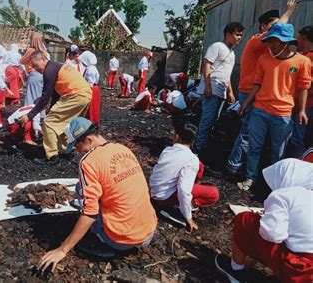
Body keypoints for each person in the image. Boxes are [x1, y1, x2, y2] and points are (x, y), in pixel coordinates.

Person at [37, 118, 157, 272]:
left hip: (121, 239)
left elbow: (90, 212)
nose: (78, 152)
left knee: (81, 189)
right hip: (148, 232)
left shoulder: (88, 161)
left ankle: (101, 238)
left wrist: (63, 249)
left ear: (89, 139)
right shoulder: (123, 148)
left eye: (78, 146)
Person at [238, 24, 311, 191]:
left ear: (285, 42)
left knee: (278, 151)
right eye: (269, 41)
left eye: (274, 41)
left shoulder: (302, 61)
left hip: (284, 113)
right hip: (260, 110)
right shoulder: (264, 60)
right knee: (254, 146)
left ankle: (274, 183)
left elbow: (303, 87)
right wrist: (246, 102)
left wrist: (301, 110)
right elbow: (257, 83)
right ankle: (250, 178)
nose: (270, 44)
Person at [215, 158, 313, 282]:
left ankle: (236, 271)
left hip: (301, 269)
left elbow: (272, 234)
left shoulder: (285, 195)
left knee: (244, 220)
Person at [227, 0, 297, 174]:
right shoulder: (256, 41)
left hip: (258, 93)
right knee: (247, 133)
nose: (277, 31)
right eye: (272, 25)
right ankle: (234, 165)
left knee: (252, 135)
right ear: (263, 27)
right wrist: (289, 11)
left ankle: (240, 166)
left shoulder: (271, 47)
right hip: (250, 92)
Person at [17, 52, 92, 165]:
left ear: (43, 59)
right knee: (64, 124)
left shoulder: (49, 70)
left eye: (36, 65)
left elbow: (45, 97)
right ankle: (68, 151)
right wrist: (50, 109)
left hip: (75, 96)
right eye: (33, 67)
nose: (36, 69)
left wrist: (29, 116)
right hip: (85, 95)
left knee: (49, 122)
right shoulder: (56, 67)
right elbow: (55, 95)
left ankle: (52, 156)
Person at [150, 122, 219, 232]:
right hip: (165, 197)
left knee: (199, 166)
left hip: (155, 191)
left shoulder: (167, 150)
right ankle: (184, 206)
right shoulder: (191, 159)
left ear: (177, 137)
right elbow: (183, 190)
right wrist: (188, 218)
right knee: (213, 193)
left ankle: (183, 202)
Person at [194, 22, 245, 157]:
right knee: (207, 119)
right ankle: (199, 147)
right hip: (212, 89)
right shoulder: (217, 46)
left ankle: (203, 144)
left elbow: (226, 74)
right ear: (228, 34)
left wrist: (230, 91)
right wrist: (208, 86)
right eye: (237, 34)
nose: (239, 38)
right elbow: (206, 64)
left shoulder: (232, 53)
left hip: (221, 90)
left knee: (213, 119)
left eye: (241, 35)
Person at [287, 25, 313, 158]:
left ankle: (296, 169)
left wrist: (299, 103)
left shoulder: (309, 59)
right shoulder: (304, 57)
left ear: (303, 38)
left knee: (297, 139)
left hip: (306, 107)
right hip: (303, 106)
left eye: (297, 37)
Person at [20, 32, 49, 131]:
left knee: (31, 99)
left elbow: (22, 61)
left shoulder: (31, 50)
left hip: (33, 76)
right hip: (42, 76)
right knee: (39, 98)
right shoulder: (44, 51)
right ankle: (40, 120)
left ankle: (31, 124)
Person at [80, 51, 101, 127]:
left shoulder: (90, 69)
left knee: (91, 109)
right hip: (94, 89)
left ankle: (91, 125)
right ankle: (94, 124)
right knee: (94, 108)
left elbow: (90, 84)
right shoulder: (92, 68)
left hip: (91, 89)